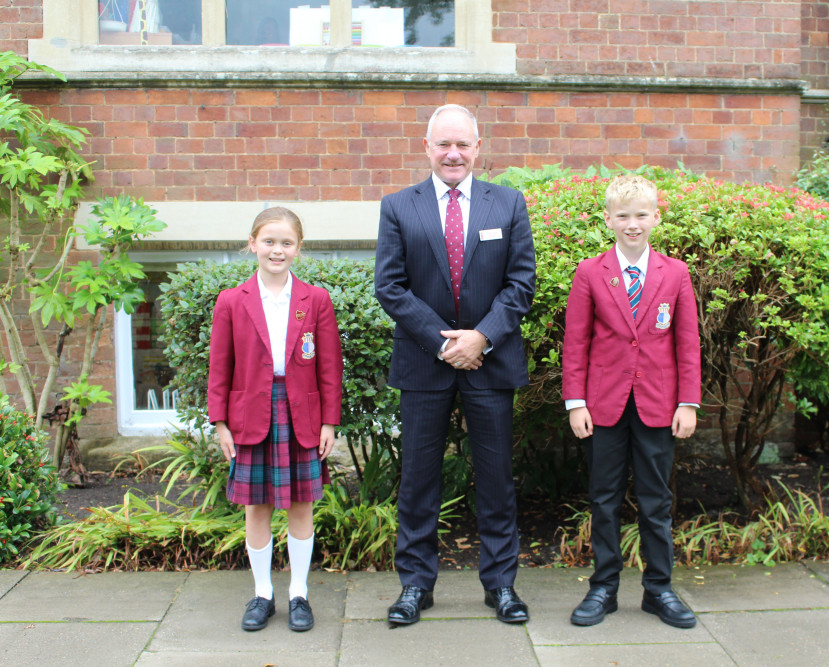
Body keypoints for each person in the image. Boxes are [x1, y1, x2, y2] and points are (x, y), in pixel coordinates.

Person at [374, 104, 536, 627]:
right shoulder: (399, 207)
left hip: (490, 363)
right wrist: (445, 343)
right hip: (425, 364)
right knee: (419, 479)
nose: (453, 153)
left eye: (463, 144)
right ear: (426, 147)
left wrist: (482, 337)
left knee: (496, 478)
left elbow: (521, 283)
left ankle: (501, 586)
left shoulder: (507, 204)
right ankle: (415, 585)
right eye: (444, 144)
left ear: (478, 147)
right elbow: (390, 286)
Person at [561, 174, 701, 628]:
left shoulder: (675, 273)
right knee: (603, 498)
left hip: (659, 405)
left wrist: (688, 403)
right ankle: (603, 587)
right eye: (623, 216)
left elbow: (687, 344)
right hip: (603, 405)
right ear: (608, 220)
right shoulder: (590, 271)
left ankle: (659, 589)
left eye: (641, 215)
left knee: (656, 499)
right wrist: (575, 402)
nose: (633, 224)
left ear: (656, 217)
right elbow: (576, 341)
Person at [208, 206, 343, 633]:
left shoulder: (315, 299)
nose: (277, 250)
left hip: (301, 412)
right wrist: (220, 423)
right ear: (252, 244)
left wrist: (329, 422)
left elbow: (329, 367)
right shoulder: (232, 300)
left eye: (286, 243)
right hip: (250, 414)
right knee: (257, 507)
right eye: (269, 241)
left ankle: (298, 593)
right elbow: (219, 366)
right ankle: (263, 593)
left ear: (298, 249)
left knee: (302, 505)